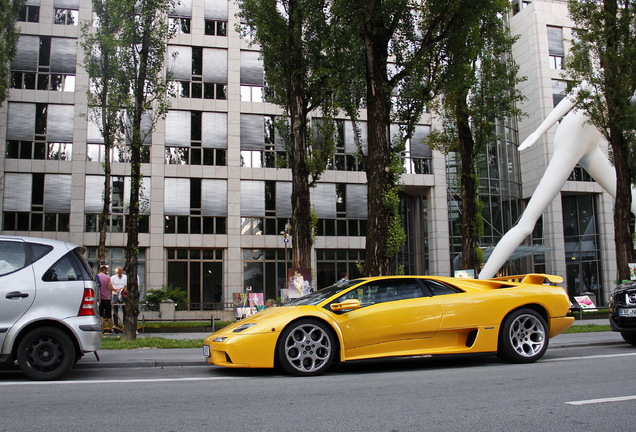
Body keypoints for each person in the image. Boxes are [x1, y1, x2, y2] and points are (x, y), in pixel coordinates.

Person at [96, 265, 115, 333]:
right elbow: (110, 287)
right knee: (108, 315)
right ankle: (111, 329)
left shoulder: (96, 276)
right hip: (106, 298)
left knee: (101, 314)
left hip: (99, 298)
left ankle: (102, 329)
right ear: (104, 270)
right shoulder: (107, 277)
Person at [111, 267, 127, 331]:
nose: (120, 272)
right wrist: (116, 290)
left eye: (121, 270)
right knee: (115, 309)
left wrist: (123, 291)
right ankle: (115, 323)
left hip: (123, 294)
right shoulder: (113, 277)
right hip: (115, 294)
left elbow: (126, 286)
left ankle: (125, 323)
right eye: (118, 270)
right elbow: (110, 285)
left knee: (124, 309)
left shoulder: (125, 277)